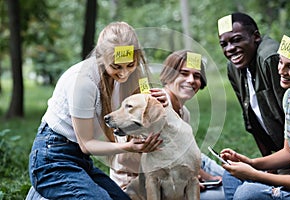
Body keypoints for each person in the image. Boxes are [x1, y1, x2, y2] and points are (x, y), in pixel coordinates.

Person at [26, 21, 167, 199]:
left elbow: (144, 110)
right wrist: (127, 147)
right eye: (116, 67)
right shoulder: (83, 82)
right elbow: (86, 144)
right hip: (52, 157)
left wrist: (162, 101)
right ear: (102, 56)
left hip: (80, 161)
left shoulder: (132, 77)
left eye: (130, 65)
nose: (124, 73)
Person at [219, 33, 290, 200]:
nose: (281, 71)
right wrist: (250, 163)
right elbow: (288, 152)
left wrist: (255, 175)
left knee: (247, 193)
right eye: (280, 62)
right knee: (231, 175)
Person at [218, 12, 286, 156]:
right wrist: (268, 164)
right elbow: (251, 119)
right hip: (279, 155)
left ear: (256, 36)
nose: (229, 49)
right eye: (224, 44)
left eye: (236, 40)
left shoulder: (270, 58)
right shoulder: (233, 67)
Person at [160, 50, 225, 199]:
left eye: (197, 76)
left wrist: (202, 175)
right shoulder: (158, 106)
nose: (191, 80)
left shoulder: (184, 112)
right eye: (184, 73)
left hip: (188, 166)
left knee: (235, 179)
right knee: (229, 194)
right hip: (151, 185)